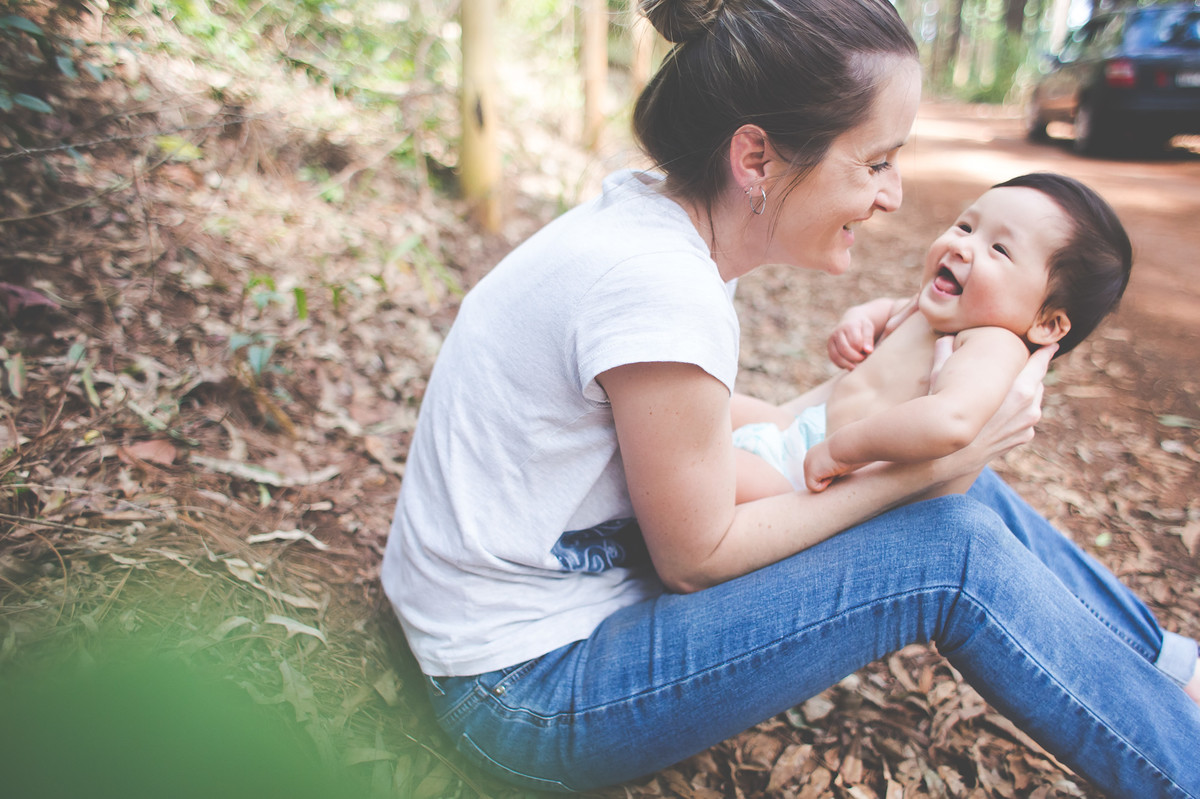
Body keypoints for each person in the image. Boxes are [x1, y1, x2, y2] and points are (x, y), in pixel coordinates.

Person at [380, 0, 1200, 795]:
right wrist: (924, 470)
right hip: (522, 687)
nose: (894, 196)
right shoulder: (660, 287)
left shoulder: (660, 231)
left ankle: (1171, 670)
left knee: (943, 481)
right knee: (951, 548)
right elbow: (697, 559)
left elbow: (769, 427)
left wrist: (925, 431)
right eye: (876, 162)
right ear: (758, 161)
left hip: (525, 619)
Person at [731, 172, 1132, 503]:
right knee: (710, 408)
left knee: (709, 469)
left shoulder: (994, 345)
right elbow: (888, 310)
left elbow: (951, 420)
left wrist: (842, 450)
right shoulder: (935, 310)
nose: (962, 246)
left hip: (825, 482)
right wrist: (859, 320)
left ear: (1047, 322)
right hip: (802, 431)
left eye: (999, 249)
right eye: (966, 227)